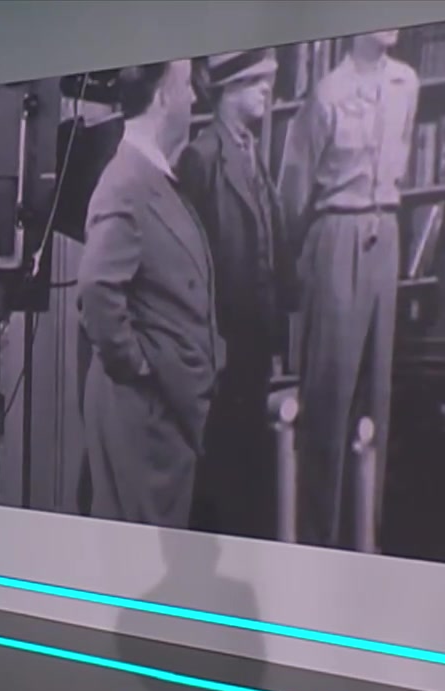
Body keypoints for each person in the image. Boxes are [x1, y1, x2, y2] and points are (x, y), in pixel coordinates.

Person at [278, 30, 420, 549]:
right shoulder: (326, 95)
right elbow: (293, 192)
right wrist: (300, 259)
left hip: (387, 232)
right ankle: (319, 536)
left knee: (376, 393)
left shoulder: (407, 82)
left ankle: (365, 534)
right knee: (330, 394)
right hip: (336, 230)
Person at [76, 60, 223, 527]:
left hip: (162, 420)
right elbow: (97, 289)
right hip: (142, 420)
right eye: (186, 86)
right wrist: (139, 366)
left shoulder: (153, 177)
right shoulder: (126, 182)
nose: (194, 98)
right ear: (162, 97)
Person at [178, 50, 288, 540]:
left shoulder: (251, 154)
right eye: (257, 81)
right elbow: (189, 266)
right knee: (218, 476)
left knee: (247, 472)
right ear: (229, 88)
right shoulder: (201, 159)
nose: (267, 89)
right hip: (220, 349)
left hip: (254, 348)